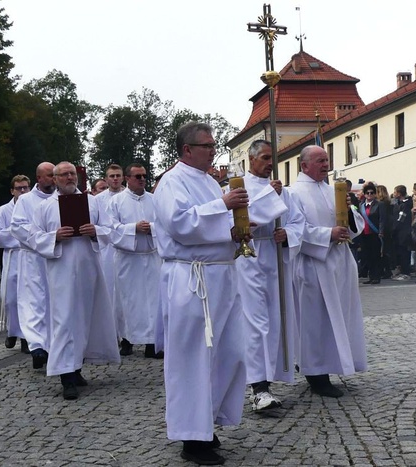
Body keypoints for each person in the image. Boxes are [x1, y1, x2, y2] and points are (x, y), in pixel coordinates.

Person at [154, 122, 249, 465]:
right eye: (206, 145)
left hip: (221, 277)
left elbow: (215, 225)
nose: (213, 150)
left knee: (229, 352)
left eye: (213, 145)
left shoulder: (209, 182)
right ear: (186, 150)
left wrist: (236, 232)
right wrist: (222, 206)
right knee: (193, 358)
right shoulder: (171, 182)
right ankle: (191, 439)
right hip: (191, 280)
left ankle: (206, 422)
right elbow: (180, 225)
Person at [31, 161, 120, 400]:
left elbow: (110, 229)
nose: (69, 177)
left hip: (88, 268)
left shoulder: (92, 202)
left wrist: (96, 232)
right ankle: (65, 375)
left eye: (72, 174)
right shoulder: (45, 207)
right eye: (64, 174)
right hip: (60, 270)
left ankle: (77, 366)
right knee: (65, 320)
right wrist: (55, 237)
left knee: (85, 318)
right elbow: (33, 236)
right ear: (55, 178)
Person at [290, 145, 367, 399]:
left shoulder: (332, 189)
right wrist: (328, 234)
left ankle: (337, 364)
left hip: (340, 262)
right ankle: (316, 374)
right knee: (315, 322)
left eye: (327, 160)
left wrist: (349, 210)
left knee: (340, 317)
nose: (326, 164)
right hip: (315, 264)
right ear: (304, 166)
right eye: (320, 160)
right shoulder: (294, 194)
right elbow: (295, 230)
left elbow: (355, 226)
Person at [234, 140, 303, 412]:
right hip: (250, 256)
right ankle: (258, 387)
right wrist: (268, 197)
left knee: (277, 319)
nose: (269, 163)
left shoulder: (283, 191)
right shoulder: (238, 187)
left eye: (271, 158)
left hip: (276, 258)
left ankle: (273, 377)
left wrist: (289, 234)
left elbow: (299, 221)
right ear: (251, 160)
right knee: (255, 321)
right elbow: (242, 220)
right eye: (264, 158)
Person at [107, 163, 163, 359]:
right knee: (128, 301)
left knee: (154, 301)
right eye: (137, 176)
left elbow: (165, 224)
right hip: (128, 259)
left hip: (151, 255)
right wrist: (133, 228)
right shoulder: (116, 202)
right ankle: (127, 339)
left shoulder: (155, 200)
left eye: (144, 176)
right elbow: (110, 229)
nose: (142, 180)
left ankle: (152, 342)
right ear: (127, 179)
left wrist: (153, 228)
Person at [11, 162, 55, 368]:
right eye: (49, 175)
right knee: (34, 302)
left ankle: (55, 346)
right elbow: (17, 227)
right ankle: (37, 346)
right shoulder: (26, 200)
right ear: (38, 178)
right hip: (33, 258)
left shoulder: (64, 197)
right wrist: (45, 239)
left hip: (58, 257)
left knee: (55, 303)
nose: (54, 178)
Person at [0, 175, 31, 353]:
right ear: (12, 191)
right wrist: (20, 233)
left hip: (30, 256)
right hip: (12, 257)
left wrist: (21, 234)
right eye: (19, 188)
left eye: (25, 187)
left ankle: (26, 337)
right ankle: (12, 330)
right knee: (9, 298)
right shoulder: (3, 210)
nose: (23, 191)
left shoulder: (34, 206)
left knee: (29, 298)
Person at [94, 164, 127, 353]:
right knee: (108, 292)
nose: (115, 179)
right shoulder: (97, 200)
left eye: (118, 175)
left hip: (125, 248)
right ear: (106, 179)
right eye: (111, 176)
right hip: (105, 251)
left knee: (123, 294)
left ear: (123, 177)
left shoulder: (128, 197)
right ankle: (111, 334)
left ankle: (126, 333)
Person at [359, 183, 385, 284]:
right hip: (364, 234)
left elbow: (382, 219)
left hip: (375, 233)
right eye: (367, 193)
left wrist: (381, 231)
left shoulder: (379, 204)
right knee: (367, 256)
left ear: (375, 194)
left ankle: (376, 276)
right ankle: (370, 276)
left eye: (372, 193)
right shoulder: (361, 205)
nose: (369, 194)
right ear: (364, 194)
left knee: (375, 256)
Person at [391, 185, 413, 280]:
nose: (394, 194)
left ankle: (406, 272)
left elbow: (401, 219)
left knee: (404, 252)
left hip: (403, 232)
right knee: (399, 251)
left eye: (395, 192)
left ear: (399, 193)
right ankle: (402, 270)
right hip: (398, 232)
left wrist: (394, 228)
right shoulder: (398, 203)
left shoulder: (405, 204)